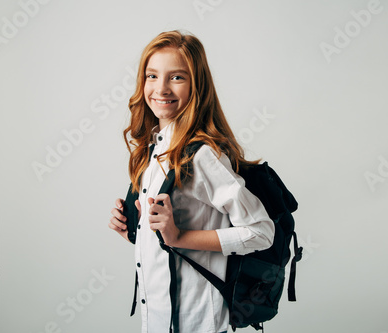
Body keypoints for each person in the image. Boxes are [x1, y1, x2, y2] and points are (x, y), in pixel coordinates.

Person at [108, 30, 274, 333]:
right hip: (158, 321)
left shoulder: (202, 156)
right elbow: (165, 243)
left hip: (197, 323)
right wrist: (136, 228)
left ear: (196, 85)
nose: (161, 88)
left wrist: (178, 236)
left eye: (177, 77)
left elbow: (261, 232)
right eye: (152, 76)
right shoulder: (154, 148)